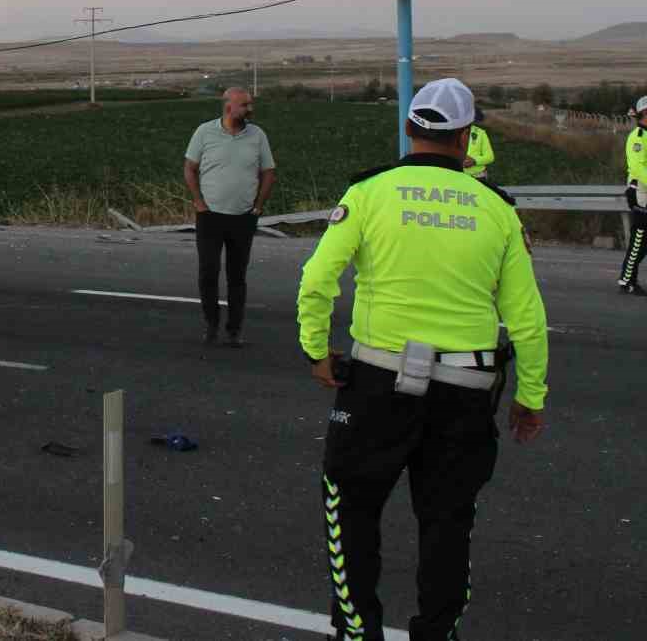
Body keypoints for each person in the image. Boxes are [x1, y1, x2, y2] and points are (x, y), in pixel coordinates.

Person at [296, 78, 548, 641]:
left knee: (350, 506)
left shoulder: (368, 193)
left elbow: (317, 280)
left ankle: (358, 631)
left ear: (410, 130)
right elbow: (528, 320)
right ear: (466, 138)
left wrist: (316, 350)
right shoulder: (498, 210)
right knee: (448, 521)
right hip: (465, 390)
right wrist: (531, 397)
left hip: (376, 384)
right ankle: (436, 633)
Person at [183, 87, 276, 347]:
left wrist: (258, 207)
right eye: (245, 105)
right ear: (229, 107)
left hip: (243, 218)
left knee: (237, 277)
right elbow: (190, 168)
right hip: (210, 217)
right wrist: (199, 202)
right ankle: (211, 324)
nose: (250, 109)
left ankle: (234, 331)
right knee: (208, 272)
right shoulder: (204, 132)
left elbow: (268, 172)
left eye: (250, 104)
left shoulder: (257, 135)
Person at [617, 95, 647, 294]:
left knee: (643, 239)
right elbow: (637, 168)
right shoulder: (637, 137)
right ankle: (627, 280)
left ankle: (628, 278)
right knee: (639, 237)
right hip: (640, 192)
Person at [463, 108, 494, 182]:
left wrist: (474, 161)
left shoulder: (481, 133)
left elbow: (490, 157)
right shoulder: (452, 132)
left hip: (478, 176)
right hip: (458, 176)